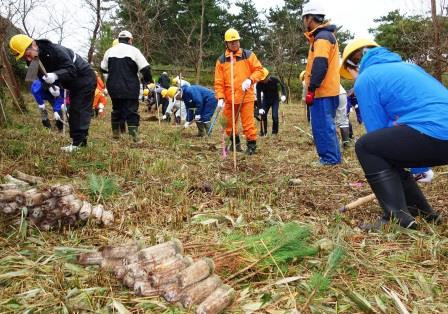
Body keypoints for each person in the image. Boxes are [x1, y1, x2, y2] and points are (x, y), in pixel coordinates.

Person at [340, 38, 447, 230]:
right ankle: (421, 211)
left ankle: (395, 219)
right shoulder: (408, 68)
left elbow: (377, 132)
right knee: (386, 152)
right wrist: (418, 167)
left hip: (435, 133)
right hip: (438, 134)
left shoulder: (366, 78)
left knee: (366, 146)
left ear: (352, 65)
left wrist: (419, 168)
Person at [9, 34, 97, 152]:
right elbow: (38, 77)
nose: (28, 59)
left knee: (78, 108)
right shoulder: (32, 61)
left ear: (33, 44)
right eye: (24, 57)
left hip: (84, 77)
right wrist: (51, 86)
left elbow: (71, 70)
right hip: (68, 82)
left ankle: (79, 144)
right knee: (72, 109)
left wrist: (55, 75)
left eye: (28, 55)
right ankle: (79, 142)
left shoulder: (55, 50)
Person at [302, 2, 341, 165]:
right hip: (328, 90)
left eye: (305, 18)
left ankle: (329, 159)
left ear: (310, 18)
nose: (304, 22)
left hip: (323, 91)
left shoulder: (322, 38)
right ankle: (332, 157)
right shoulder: (324, 36)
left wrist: (311, 88)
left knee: (322, 126)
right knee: (326, 125)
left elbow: (320, 64)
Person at [214, 28, 264, 155]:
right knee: (229, 125)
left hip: (246, 96)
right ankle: (235, 144)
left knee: (248, 124)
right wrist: (220, 97)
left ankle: (251, 146)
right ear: (226, 44)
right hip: (229, 98)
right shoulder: (221, 61)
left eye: (236, 41)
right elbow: (218, 82)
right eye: (231, 42)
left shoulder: (248, 55)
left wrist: (250, 79)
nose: (235, 44)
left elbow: (260, 70)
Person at [100, 30, 153, 144]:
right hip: (130, 86)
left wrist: (109, 79)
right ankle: (134, 137)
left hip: (113, 86)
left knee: (116, 109)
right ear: (130, 40)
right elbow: (145, 68)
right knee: (131, 110)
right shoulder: (134, 51)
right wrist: (148, 81)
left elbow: (103, 69)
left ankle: (116, 135)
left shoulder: (109, 51)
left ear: (119, 39)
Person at [256, 68, 287, 136]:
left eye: (264, 79)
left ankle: (274, 132)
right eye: (261, 79)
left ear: (268, 76)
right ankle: (264, 132)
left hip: (275, 100)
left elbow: (283, 86)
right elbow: (258, 96)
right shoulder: (259, 84)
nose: (263, 81)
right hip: (265, 100)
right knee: (263, 115)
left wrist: (284, 95)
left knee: (274, 116)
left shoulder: (274, 79)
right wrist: (260, 108)